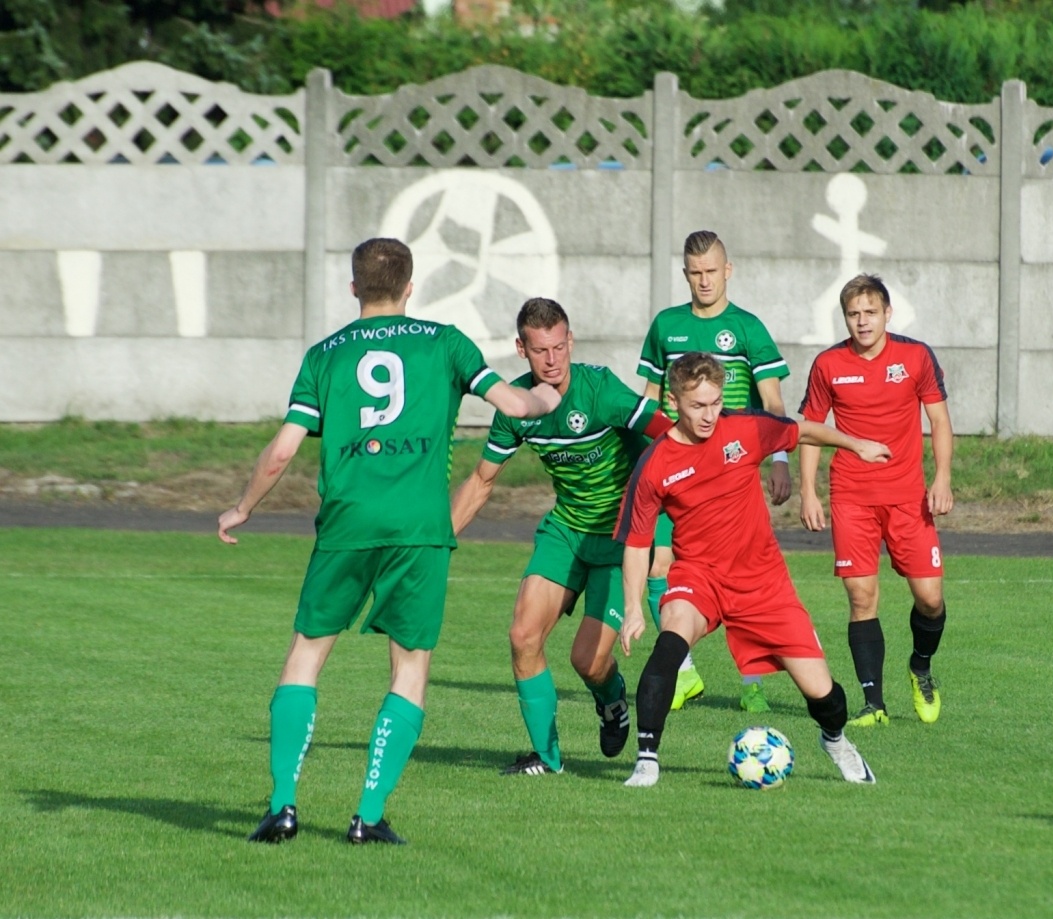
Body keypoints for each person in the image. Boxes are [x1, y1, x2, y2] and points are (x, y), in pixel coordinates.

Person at [222, 237, 561, 846]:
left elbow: (281, 452)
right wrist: (545, 395)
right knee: (409, 666)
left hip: (347, 523)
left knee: (306, 653)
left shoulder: (324, 356)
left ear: (354, 288)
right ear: (411, 286)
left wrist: (243, 506)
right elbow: (514, 403)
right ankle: (368, 815)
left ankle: (281, 806)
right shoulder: (444, 342)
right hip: (418, 528)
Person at [615, 352, 888, 788]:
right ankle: (647, 759)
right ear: (673, 402)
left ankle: (835, 741)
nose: (709, 415)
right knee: (670, 641)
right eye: (697, 405)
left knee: (824, 695)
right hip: (699, 575)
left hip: (763, 583)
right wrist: (633, 608)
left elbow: (800, 430)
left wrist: (857, 445)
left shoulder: (743, 429)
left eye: (715, 402)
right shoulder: (655, 464)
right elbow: (635, 542)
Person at [451, 298, 666, 776]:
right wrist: (438, 542)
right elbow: (482, 481)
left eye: (559, 346)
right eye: (540, 349)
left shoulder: (601, 391)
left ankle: (612, 701)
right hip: (567, 530)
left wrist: (665, 530)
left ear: (571, 341)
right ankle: (546, 758)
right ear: (521, 349)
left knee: (587, 662)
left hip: (619, 539)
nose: (552, 359)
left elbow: (669, 441)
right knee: (523, 635)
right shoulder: (517, 405)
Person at [637, 230, 792, 715]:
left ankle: (752, 683)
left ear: (728, 270)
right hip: (675, 469)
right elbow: (645, 398)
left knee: (742, 574)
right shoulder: (666, 326)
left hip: (729, 474)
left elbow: (772, 404)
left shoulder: (747, 329)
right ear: (685, 274)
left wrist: (780, 461)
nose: (703, 281)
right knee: (657, 566)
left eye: (711, 271)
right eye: (694, 273)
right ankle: (682, 675)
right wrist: (643, 460)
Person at [798, 274, 953, 727]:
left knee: (929, 598)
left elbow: (939, 421)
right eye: (853, 314)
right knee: (861, 595)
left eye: (870, 312)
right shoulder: (829, 364)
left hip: (908, 498)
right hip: (851, 497)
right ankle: (874, 705)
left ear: (888, 313)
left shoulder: (916, 356)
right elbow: (809, 428)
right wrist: (808, 491)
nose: (862, 322)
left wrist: (941, 478)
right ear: (844, 318)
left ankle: (920, 667)